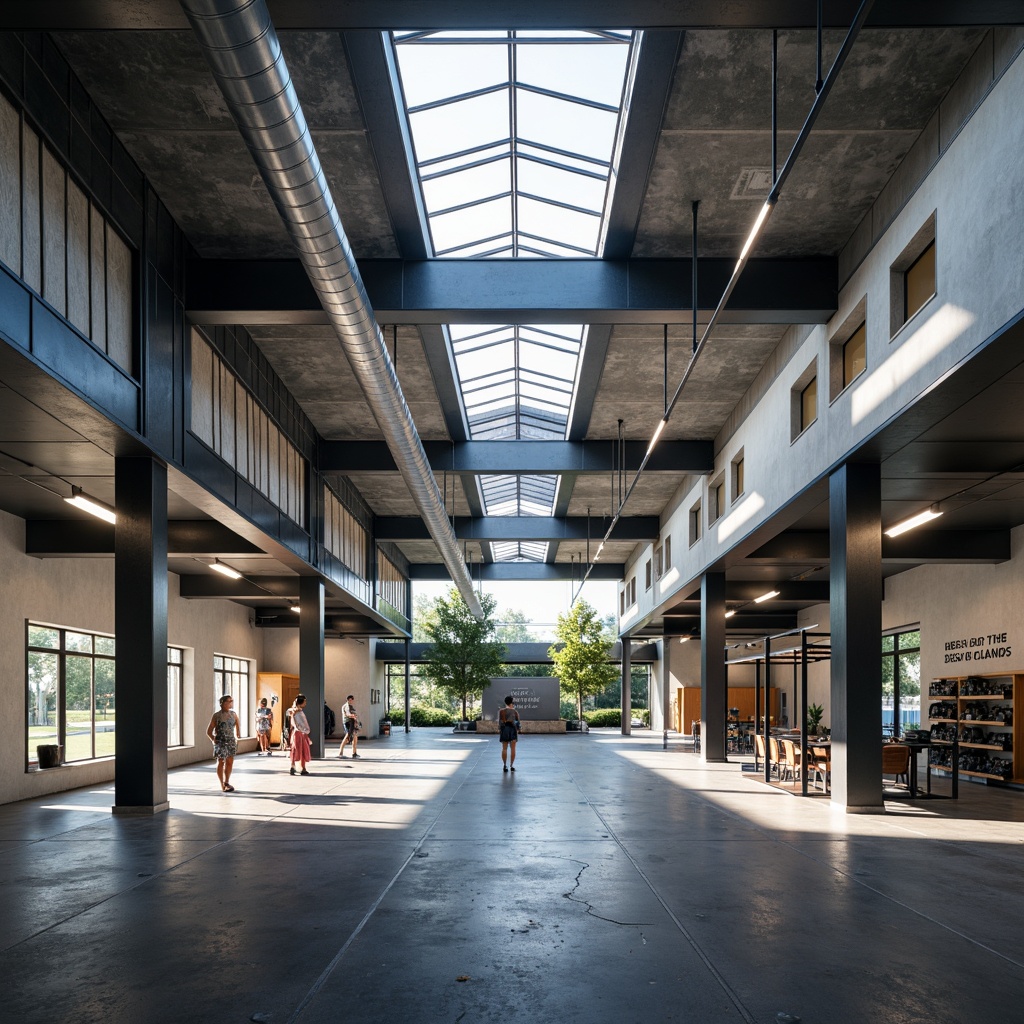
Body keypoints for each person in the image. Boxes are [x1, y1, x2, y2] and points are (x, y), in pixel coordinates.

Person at [206, 694, 241, 791]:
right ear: (222, 703)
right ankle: (222, 784)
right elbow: (209, 731)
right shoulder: (217, 716)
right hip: (220, 741)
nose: (230, 703)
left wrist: (238, 732)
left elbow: (237, 722)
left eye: (231, 701)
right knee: (221, 761)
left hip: (230, 741)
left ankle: (227, 782)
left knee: (229, 761)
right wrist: (214, 739)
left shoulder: (233, 714)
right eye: (228, 701)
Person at [289, 694, 312, 776]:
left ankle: (293, 766)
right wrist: (306, 731)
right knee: (302, 750)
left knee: (295, 750)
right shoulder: (299, 712)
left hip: (296, 733)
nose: (305, 703)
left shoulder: (293, 711)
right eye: (304, 702)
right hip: (301, 733)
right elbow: (303, 724)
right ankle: (302, 768)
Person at [499, 695, 520, 773]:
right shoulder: (515, 712)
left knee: (504, 748)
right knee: (513, 748)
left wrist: (501, 730)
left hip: (505, 729)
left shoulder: (502, 711)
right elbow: (518, 723)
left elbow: (500, 723)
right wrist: (518, 730)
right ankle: (512, 765)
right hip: (513, 729)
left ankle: (505, 765)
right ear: (512, 702)